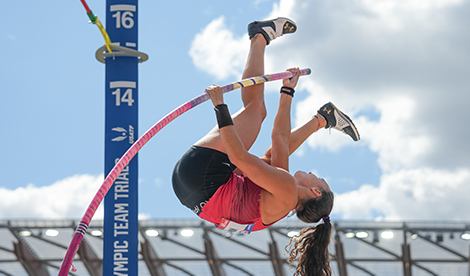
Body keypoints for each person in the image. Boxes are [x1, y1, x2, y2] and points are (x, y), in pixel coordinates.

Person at [172, 17, 360, 276]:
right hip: (193, 189)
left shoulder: (284, 190)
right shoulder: (283, 198)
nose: (316, 174)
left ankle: (260, 37)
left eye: (321, 179)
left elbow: (239, 156)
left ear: (316, 190)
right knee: (267, 143)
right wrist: (287, 91)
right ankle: (323, 118)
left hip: (203, 179)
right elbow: (279, 142)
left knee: (256, 112)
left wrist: (220, 107)